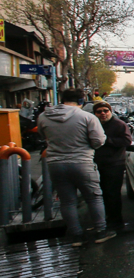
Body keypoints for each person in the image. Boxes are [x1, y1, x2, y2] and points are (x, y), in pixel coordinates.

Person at [37, 88, 111, 247]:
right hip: (82, 163)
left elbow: (43, 137)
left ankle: (76, 236)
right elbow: (98, 141)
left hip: (55, 164)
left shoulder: (43, 116)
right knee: (94, 197)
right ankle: (101, 232)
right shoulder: (87, 117)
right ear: (80, 101)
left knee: (67, 201)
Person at [92, 101, 132, 234]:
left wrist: (106, 140)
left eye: (105, 111)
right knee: (100, 194)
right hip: (97, 164)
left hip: (114, 164)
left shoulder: (119, 124)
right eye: (99, 111)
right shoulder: (94, 125)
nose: (103, 114)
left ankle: (116, 222)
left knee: (112, 194)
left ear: (110, 111)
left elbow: (126, 141)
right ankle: (105, 220)